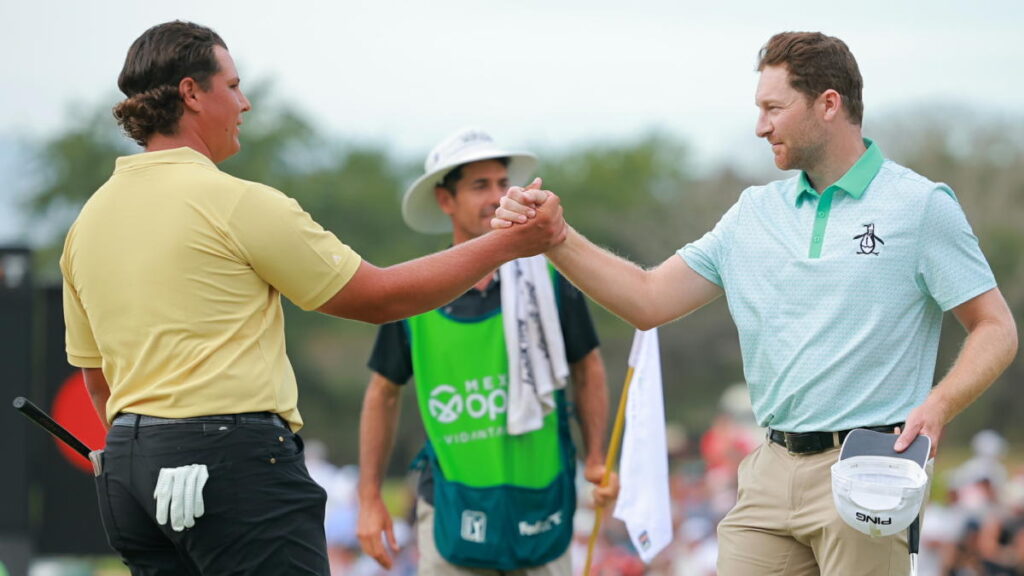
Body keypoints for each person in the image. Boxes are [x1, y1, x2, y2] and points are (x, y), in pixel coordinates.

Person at [494, 31, 1018, 575]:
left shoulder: (920, 206)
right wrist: (557, 238)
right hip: (768, 471)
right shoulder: (752, 213)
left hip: (869, 469)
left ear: (829, 104)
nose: (760, 125)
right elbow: (647, 299)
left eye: (773, 107)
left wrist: (939, 405)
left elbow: (995, 327)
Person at [60, 22, 565, 575]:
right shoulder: (234, 201)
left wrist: (155, 450)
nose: (245, 102)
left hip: (131, 470)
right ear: (190, 93)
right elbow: (377, 297)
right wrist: (506, 243)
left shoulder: (87, 223)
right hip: (232, 463)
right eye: (232, 86)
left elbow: (98, 380)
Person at [356, 128, 613, 575]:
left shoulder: (551, 278)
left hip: (543, 499)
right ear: (445, 200)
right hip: (453, 505)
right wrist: (369, 498)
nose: (497, 196)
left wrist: (595, 459)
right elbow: (383, 393)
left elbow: (588, 368)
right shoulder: (417, 290)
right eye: (480, 186)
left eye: (501, 182)